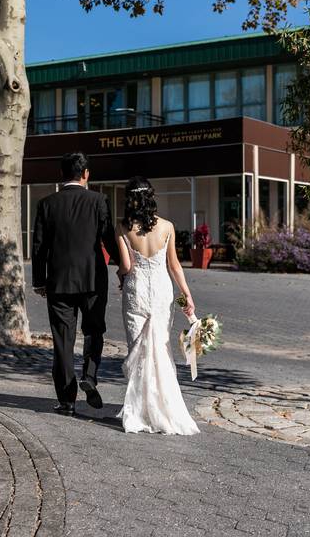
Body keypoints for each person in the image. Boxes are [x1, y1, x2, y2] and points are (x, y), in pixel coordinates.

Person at [31, 152, 118, 416]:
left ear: (62, 174)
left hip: (58, 282)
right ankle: (90, 377)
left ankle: (67, 400)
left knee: (63, 340)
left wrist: (39, 280)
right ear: (86, 174)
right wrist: (126, 268)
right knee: (94, 331)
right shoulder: (99, 201)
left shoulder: (47, 204)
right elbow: (109, 239)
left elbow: (38, 247)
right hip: (93, 280)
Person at [115, 176, 199, 435]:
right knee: (160, 350)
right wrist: (187, 300)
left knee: (138, 351)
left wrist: (120, 276)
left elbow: (127, 266)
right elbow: (174, 267)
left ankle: (141, 411)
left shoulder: (123, 227)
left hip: (136, 292)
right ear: (151, 198)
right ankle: (164, 408)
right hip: (162, 293)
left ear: (130, 199)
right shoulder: (167, 227)